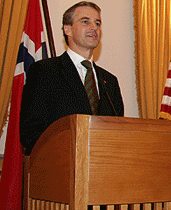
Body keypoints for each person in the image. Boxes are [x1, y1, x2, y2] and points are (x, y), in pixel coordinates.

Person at [20, 1, 124, 155]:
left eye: (97, 23)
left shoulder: (109, 81)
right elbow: (31, 133)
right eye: (85, 21)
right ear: (67, 29)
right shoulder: (45, 71)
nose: (94, 27)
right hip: (59, 166)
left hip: (103, 168)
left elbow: (118, 133)